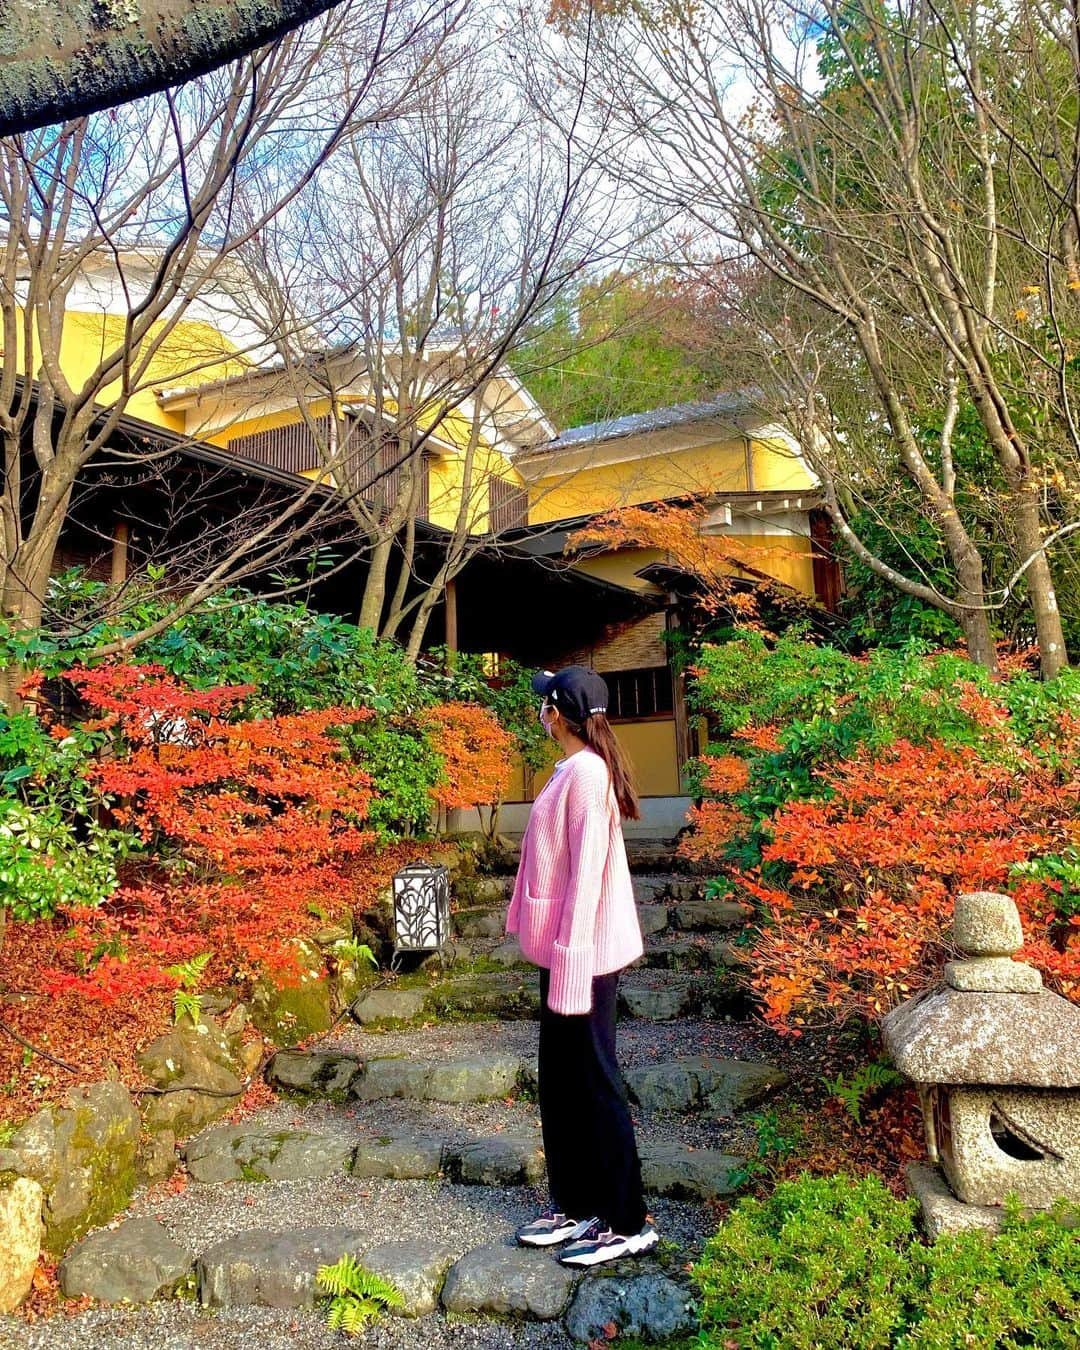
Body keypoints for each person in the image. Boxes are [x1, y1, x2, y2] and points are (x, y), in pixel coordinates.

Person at [505, 664, 657, 1268]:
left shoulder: (588, 775)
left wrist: (569, 962)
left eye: (545, 704)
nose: (538, 711)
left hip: (584, 955)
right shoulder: (574, 769)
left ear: (556, 715)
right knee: (563, 1082)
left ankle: (627, 1219)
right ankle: (575, 1205)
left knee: (595, 1081)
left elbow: (588, 877)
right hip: (565, 950)